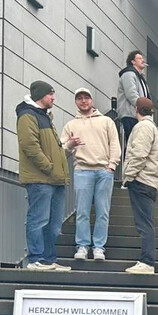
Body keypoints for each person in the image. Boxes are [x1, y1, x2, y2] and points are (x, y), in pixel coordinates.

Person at [61, 87, 121, 261]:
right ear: (76, 102)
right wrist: (70, 144)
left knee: (103, 212)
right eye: (79, 98)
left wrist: (112, 166)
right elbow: (61, 151)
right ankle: (82, 246)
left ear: (92, 100)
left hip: (104, 171)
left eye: (86, 97)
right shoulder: (71, 125)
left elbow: (115, 145)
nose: (83, 101)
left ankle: (99, 247)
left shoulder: (106, 121)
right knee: (82, 212)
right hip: (82, 170)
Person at [16, 80, 70, 272]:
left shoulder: (45, 116)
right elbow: (29, 145)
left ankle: (48, 260)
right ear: (40, 95)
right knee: (38, 220)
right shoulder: (27, 116)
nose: (53, 98)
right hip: (40, 179)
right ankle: (36, 259)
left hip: (54, 179)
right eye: (50, 94)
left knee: (53, 224)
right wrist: (48, 167)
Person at [121, 96, 158, 274]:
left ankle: (147, 262)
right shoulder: (155, 129)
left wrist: (128, 176)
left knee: (144, 223)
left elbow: (139, 155)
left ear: (136, 109)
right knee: (146, 222)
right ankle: (147, 261)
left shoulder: (142, 127)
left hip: (142, 180)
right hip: (151, 181)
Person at [116, 50, 150, 150]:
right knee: (132, 145)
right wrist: (143, 109)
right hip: (130, 115)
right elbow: (131, 94)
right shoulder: (129, 74)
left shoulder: (140, 77)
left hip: (138, 116)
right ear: (133, 61)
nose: (142, 60)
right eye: (139, 58)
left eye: (142, 58)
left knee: (138, 145)